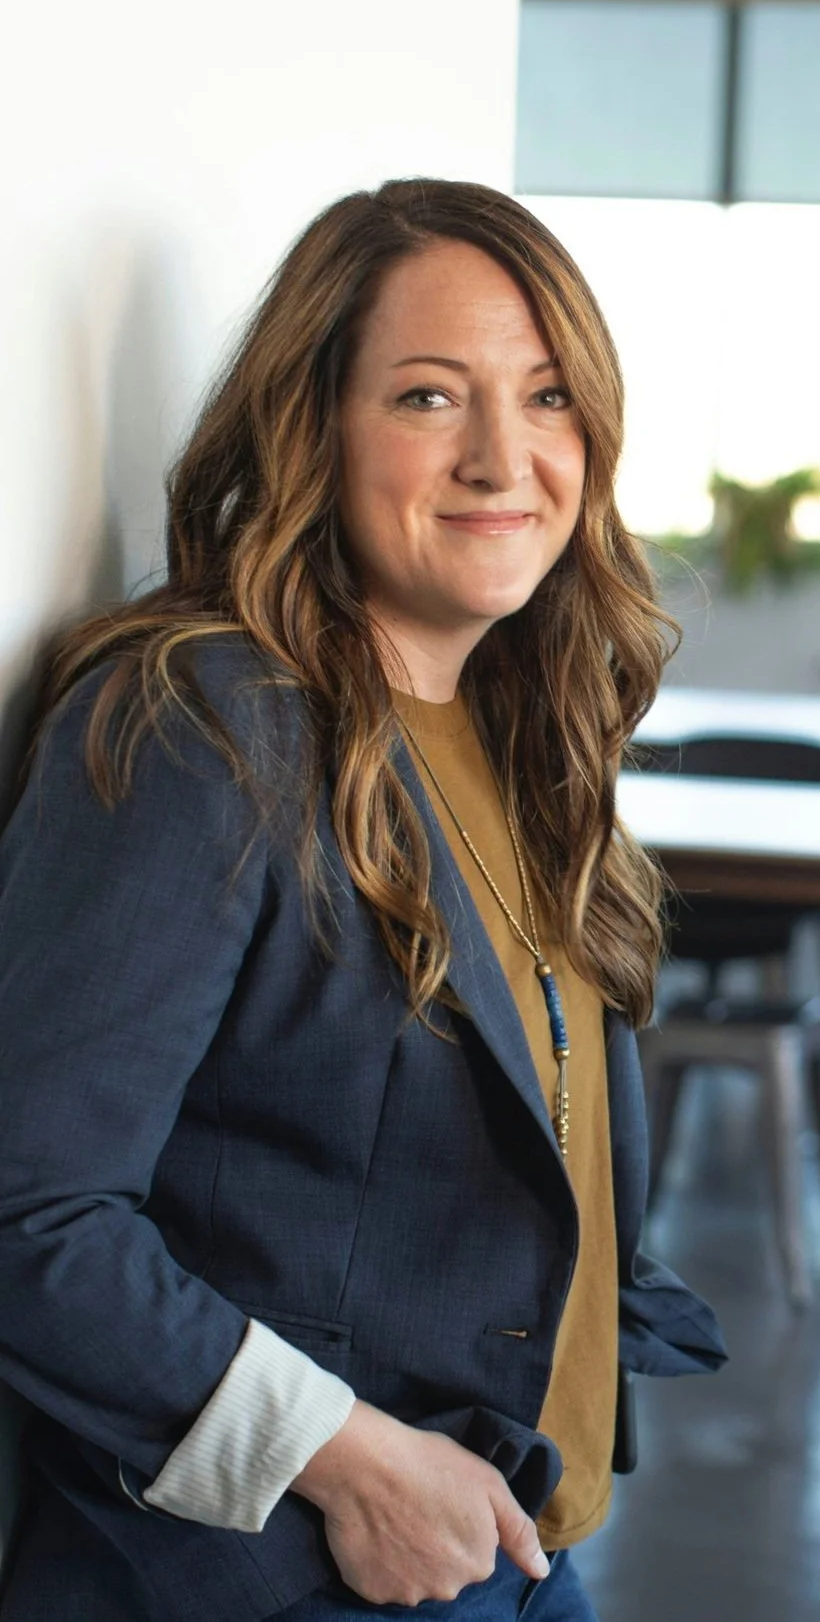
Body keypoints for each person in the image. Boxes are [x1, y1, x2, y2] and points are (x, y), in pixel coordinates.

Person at [0, 179, 725, 1622]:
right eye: (425, 397)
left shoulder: (525, 729)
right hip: (299, 1567)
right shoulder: (205, 720)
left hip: (511, 1541)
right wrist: (345, 1458)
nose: (501, 455)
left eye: (546, 397)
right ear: (311, 425)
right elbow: (28, 1203)